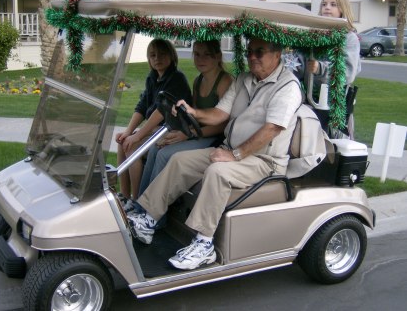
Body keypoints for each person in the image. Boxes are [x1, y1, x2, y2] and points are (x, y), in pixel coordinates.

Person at [127, 37, 303, 271]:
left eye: (259, 52)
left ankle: (204, 243)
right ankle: (148, 219)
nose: (252, 57)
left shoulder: (287, 86)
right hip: (233, 151)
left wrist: (236, 155)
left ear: (277, 53)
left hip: (264, 161)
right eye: (250, 51)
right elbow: (220, 113)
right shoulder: (244, 79)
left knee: (217, 171)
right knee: (179, 159)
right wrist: (193, 111)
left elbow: (272, 129)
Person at [138, 40, 233, 195]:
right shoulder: (198, 81)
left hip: (216, 139)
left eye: (206, 55)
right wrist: (183, 132)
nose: (200, 59)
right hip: (197, 134)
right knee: (156, 146)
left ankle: (153, 216)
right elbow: (193, 115)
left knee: (164, 155)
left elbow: (223, 124)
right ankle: (140, 203)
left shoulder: (225, 81)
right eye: (196, 54)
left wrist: (188, 134)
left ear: (218, 57)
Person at [116, 39, 192, 210]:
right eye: (153, 55)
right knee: (123, 142)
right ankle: (125, 195)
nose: (157, 58)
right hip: (157, 129)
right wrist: (128, 131)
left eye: (162, 54)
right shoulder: (153, 78)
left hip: (174, 128)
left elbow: (161, 111)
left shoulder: (176, 78)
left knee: (133, 146)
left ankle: (137, 199)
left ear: (172, 56)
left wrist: (138, 135)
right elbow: (143, 106)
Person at [303, 0, 361, 139]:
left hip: (333, 107)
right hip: (309, 102)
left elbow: (348, 72)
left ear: (343, 9)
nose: (327, 7)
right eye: (324, 4)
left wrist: (320, 68)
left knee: (331, 148)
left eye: (333, 4)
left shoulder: (349, 38)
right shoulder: (315, 37)